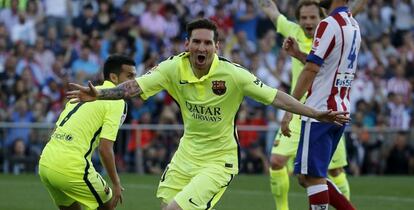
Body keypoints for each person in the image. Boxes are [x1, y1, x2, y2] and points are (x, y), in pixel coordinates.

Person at [66, 19, 350, 210]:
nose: (202, 47)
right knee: (167, 206)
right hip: (185, 157)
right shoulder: (172, 68)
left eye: (207, 43)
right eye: (197, 42)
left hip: (219, 161)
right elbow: (132, 87)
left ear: (217, 46)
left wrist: (314, 112)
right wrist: (100, 93)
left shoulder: (233, 74)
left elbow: (276, 97)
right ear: (187, 44)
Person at [259, 0, 366, 209]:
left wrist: (290, 109)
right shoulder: (352, 24)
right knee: (306, 176)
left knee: (314, 177)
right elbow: (328, 66)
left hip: (319, 111)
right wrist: (299, 54)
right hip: (339, 107)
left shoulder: (328, 24)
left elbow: (311, 70)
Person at [39, 55, 137, 210]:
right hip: (72, 167)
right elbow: (105, 148)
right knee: (108, 205)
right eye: (130, 76)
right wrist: (116, 183)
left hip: (46, 162)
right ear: (113, 77)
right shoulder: (117, 102)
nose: (134, 82)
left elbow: (56, 129)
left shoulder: (84, 93)